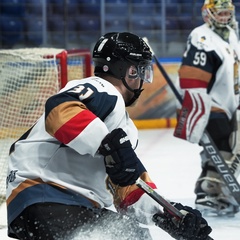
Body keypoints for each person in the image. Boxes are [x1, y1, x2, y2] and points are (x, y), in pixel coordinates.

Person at [6, 32, 212, 240]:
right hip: (49, 197)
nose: (143, 79)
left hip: (42, 206)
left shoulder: (122, 126)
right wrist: (109, 146)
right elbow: (59, 110)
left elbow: (127, 186)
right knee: (132, 236)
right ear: (128, 70)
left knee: (135, 234)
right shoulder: (103, 90)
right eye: (141, 70)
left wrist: (169, 215)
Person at [174, 0, 240, 216]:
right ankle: (207, 190)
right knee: (223, 142)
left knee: (230, 146)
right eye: (219, 13)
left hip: (227, 102)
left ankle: (216, 188)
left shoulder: (230, 34)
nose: (224, 17)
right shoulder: (201, 36)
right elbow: (193, 76)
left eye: (226, 13)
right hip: (206, 102)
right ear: (208, 13)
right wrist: (197, 110)